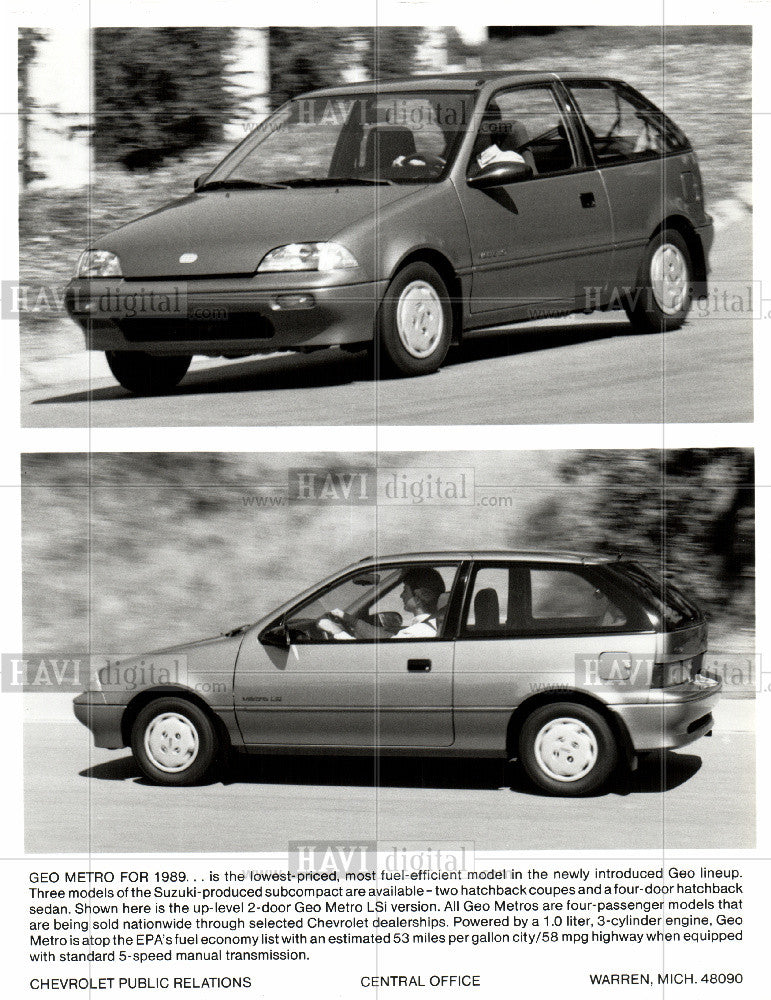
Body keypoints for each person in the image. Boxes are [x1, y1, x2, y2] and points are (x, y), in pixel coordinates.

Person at [319, 567, 446, 640]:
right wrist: (352, 620)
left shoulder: (416, 633)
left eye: (405, 590)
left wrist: (336, 632)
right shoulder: (432, 626)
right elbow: (388, 638)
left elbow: (367, 658)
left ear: (420, 596)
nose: (401, 595)